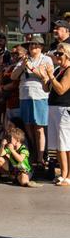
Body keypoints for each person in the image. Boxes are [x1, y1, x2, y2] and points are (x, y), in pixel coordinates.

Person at [11, 35, 53, 166]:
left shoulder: (46, 59)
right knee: (28, 126)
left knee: (39, 127)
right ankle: (33, 151)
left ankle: (41, 156)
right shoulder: (24, 59)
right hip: (24, 96)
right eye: (30, 45)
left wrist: (32, 68)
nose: (32, 47)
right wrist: (22, 66)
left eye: (35, 45)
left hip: (40, 96)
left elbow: (47, 76)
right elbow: (13, 76)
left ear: (41, 47)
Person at [41, 43, 70, 186]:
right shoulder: (59, 69)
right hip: (53, 108)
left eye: (60, 54)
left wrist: (51, 76)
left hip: (65, 109)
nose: (57, 56)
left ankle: (68, 175)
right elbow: (47, 89)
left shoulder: (69, 70)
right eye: (56, 54)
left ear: (68, 55)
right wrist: (44, 76)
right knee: (57, 143)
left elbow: (61, 90)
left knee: (65, 143)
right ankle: (63, 173)